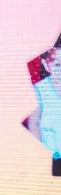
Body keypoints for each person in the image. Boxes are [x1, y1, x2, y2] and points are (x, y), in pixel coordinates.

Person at [26, 38, 61, 175]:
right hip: (53, 157)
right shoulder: (40, 89)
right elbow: (33, 123)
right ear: (46, 65)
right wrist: (40, 153)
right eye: (57, 65)